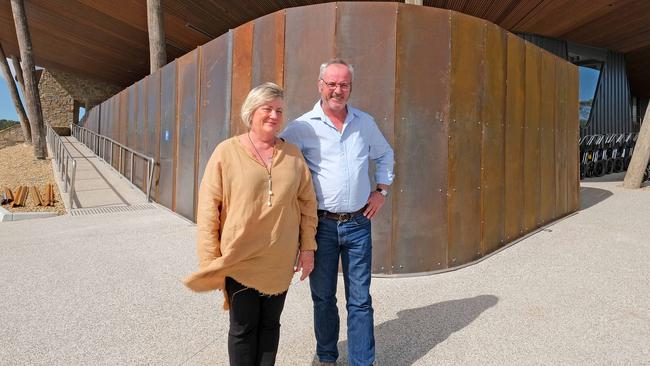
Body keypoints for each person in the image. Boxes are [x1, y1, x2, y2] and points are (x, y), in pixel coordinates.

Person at [184, 82, 318, 366]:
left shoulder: (293, 155)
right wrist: (210, 259)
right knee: (243, 328)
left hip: (279, 260)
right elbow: (209, 207)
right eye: (267, 108)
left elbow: (308, 204)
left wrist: (307, 249)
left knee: (270, 326)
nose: (273, 115)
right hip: (239, 258)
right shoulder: (226, 152)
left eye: (279, 110)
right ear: (251, 112)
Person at [280, 59, 395, 366]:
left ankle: (361, 362)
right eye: (331, 83)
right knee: (323, 298)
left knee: (360, 300)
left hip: (359, 223)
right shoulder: (302, 127)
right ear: (320, 85)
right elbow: (277, 160)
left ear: (350, 88)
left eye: (344, 84)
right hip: (321, 226)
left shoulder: (364, 123)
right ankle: (327, 357)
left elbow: (385, 154)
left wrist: (381, 191)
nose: (337, 90)